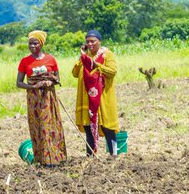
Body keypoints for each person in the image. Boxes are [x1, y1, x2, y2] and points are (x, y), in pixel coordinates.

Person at [15, 30, 67, 166]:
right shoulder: (25, 62)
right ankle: (42, 159)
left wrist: (50, 82)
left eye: (35, 43)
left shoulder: (51, 59)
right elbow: (19, 83)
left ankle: (55, 158)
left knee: (50, 125)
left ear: (41, 44)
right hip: (34, 98)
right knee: (37, 126)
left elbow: (57, 79)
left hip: (49, 98)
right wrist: (34, 86)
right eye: (30, 43)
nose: (32, 46)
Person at [72, 29, 120, 157]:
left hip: (103, 98)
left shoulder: (106, 55)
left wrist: (95, 64)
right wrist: (82, 57)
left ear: (99, 41)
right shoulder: (85, 55)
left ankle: (113, 155)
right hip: (87, 99)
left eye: (93, 41)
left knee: (107, 127)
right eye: (87, 42)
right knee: (88, 128)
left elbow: (112, 71)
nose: (90, 44)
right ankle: (90, 156)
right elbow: (75, 73)